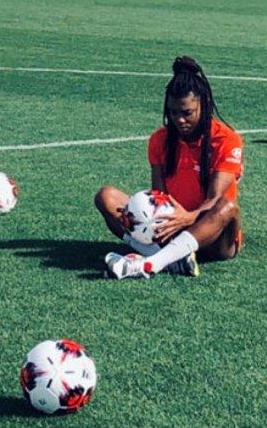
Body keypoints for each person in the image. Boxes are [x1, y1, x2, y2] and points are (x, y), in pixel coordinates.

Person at [94, 56, 244, 279]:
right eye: (173, 112)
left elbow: (214, 198)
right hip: (169, 229)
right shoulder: (159, 139)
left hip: (212, 235)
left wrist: (188, 217)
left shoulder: (226, 140)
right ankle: (167, 257)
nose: (179, 120)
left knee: (227, 207)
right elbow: (158, 195)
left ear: (204, 106)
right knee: (106, 196)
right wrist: (145, 215)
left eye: (187, 113)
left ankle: (152, 263)